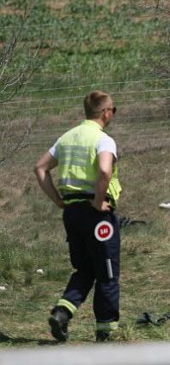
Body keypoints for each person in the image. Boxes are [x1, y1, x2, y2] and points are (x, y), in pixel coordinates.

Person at [34, 91, 122, 342]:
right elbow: (104, 170)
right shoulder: (103, 140)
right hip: (97, 215)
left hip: (72, 213)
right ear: (105, 112)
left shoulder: (66, 138)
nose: (113, 114)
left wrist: (58, 201)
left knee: (84, 268)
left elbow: (40, 168)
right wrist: (97, 200)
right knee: (106, 271)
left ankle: (62, 313)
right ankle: (105, 333)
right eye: (113, 110)